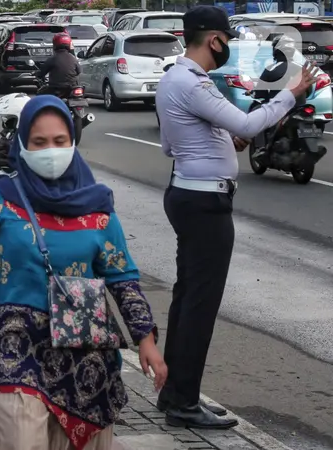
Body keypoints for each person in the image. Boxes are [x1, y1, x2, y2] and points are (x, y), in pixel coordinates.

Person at [0, 95, 166, 450]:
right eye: (38, 143)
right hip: (13, 349)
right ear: (21, 144)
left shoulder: (97, 206)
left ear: (72, 141)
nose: (50, 150)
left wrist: (146, 340)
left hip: (84, 356)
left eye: (59, 141)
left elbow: (122, 277)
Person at [155, 5, 314, 429]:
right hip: (205, 204)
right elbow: (247, 119)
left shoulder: (175, 78)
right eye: (227, 39)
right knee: (200, 305)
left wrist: (225, 140)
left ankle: (173, 392)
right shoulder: (192, 83)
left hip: (188, 194)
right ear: (215, 40)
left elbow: (175, 145)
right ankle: (185, 403)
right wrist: (291, 94)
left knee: (187, 297)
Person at [36, 33, 81, 97]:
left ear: (55, 45)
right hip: (71, 87)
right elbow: (79, 71)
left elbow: (42, 73)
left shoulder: (52, 59)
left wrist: (37, 74)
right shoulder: (73, 58)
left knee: (40, 94)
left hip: (56, 88)